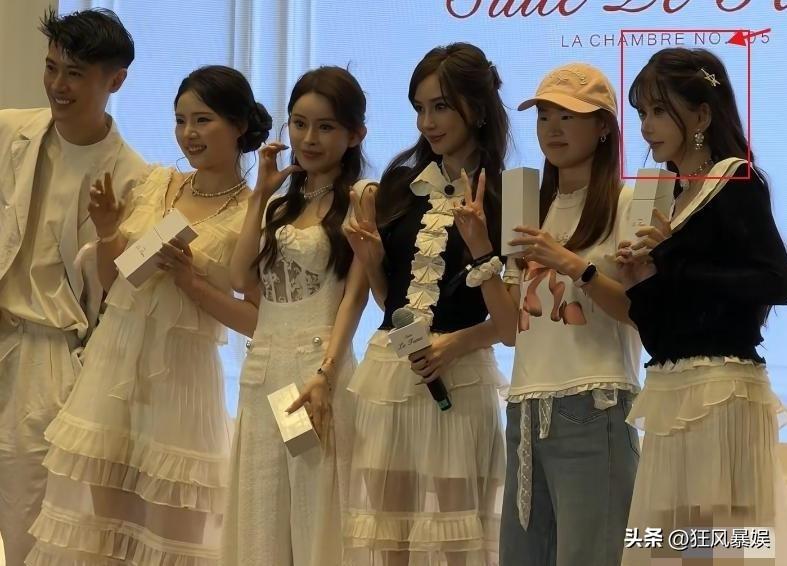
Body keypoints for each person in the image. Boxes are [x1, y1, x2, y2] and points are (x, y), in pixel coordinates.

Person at [25, 65, 267, 565]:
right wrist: (109, 230)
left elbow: (257, 320)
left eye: (203, 120)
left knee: (173, 541)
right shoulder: (158, 183)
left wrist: (193, 284)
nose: (189, 133)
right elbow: (115, 282)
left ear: (239, 125)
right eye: (180, 120)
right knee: (105, 536)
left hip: (181, 381)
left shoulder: (253, 213)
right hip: (115, 370)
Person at [454, 62, 641, 566]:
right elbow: (510, 329)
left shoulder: (627, 204)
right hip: (525, 408)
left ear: (603, 127)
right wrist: (481, 250)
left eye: (568, 116)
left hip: (595, 403)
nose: (552, 129)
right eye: (543, 117)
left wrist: (573, 265)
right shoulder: (529, 205)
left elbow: (640, 313)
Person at [619, 47, 787, 564]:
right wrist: (641, 280)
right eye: (642, 112)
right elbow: (662, 333)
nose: (646, 126)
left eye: (659, 110)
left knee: (717, 550)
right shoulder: (670, 196)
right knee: (666, 549)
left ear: (702, 116)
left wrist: (672, 261)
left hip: (721, 391)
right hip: (672, 390)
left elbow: (777, 280)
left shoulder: (736, 179)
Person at [343, 42, 508, 566]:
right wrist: (372, 261)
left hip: (460, 380)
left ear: (476, 109)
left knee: (458, 538)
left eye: (440, 106)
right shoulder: (399, 184)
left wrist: (454, 345)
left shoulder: (508, 194)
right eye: (419, 108)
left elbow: (512, 323)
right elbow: (390, 300)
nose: (427, 122)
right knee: (389, 538)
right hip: (392, 373)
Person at [0, 9, 146, 565]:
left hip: (50, 352)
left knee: (29, 520)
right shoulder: (12, 131)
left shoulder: (132, 177)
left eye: (75, 73)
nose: (58, 85)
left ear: (116, 80)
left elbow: (120, 290)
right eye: (51, 68)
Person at [223, 66, 370, 566]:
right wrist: (260, 195)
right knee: (259, 515)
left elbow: (354, 298)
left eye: (326, 127)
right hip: (264, 370)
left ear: (355, 135)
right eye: (300, 124)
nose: (309, 139)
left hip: (315, 372)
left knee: (316, 515)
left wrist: (326, 373)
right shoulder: (277, 207)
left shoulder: (360, 200)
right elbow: (240, 277)